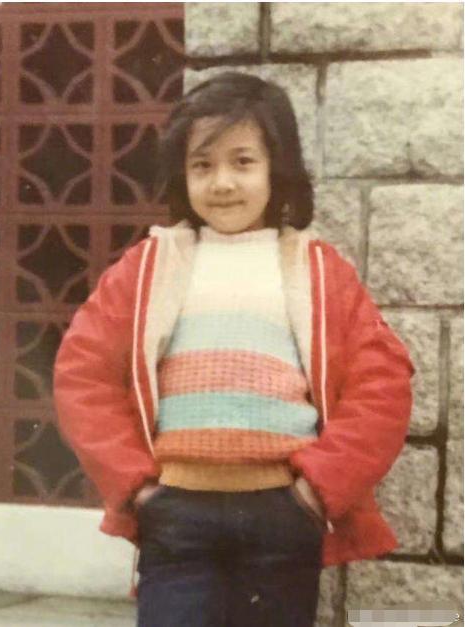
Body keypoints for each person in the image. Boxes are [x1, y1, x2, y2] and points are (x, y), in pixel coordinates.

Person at [53, 71, 414, 627]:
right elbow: (83, 374)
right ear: (182, 174)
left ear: (277, 169)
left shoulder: (317, 271)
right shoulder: (149, 268)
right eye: (202, 165)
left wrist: (317, 490)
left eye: (243, 162)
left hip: (282, 514)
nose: (222, 182)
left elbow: (382, 383)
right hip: (176, 515)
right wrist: (137, 485)